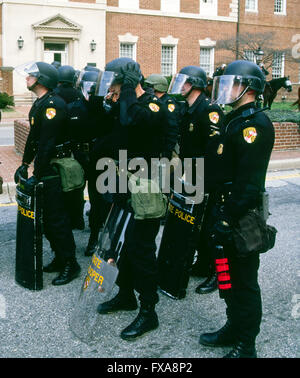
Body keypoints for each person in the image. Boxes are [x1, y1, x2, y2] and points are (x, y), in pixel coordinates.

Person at [199, 60, 275, 358]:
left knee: (244, 281)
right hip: (223, 207)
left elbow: (248, 184)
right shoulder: (236, 119)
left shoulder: (254, 125)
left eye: (232, 83)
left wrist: (227, 220)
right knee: (225, 272)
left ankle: (247, 343)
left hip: (240, 214)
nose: (226, 88)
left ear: (248, 88)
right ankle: (233, 326)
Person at [94, 57, 166, 341]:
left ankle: (149, 310)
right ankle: (126, 295)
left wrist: (124, 95)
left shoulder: (151, 106)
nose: (111, 85)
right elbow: (114, 135)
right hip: (125, 182)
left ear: (127, 81)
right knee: (118, 244)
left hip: (147, 186)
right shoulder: (126, 105)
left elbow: (130, 121)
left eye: (116, 80)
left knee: (141, 249)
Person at [14, 61, 80, 286]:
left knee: (57, 218)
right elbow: (34, 137)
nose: (27, 79)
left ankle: (71, 264)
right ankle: (60, 258)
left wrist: (37, 174)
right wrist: (24, 163)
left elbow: (47, 143)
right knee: (48, 219)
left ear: (41, 80)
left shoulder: (54, 105)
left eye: (31, 76)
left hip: (54, 168)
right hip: (46, 167)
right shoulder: (40, 103)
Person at [169, 65, 224, 294]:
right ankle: (202, 265)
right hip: (190, 173)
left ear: (193, 85)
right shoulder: (187, 108)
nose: (180, 86)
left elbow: (214, 150)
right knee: (196, 227)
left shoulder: (209, 110)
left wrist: (203, 180)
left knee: (212, 230)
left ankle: (217, 274)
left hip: (207, 178)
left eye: (184, 82)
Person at [67, 68, 112, 252]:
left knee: (98, 201)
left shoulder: (105, 109)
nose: (91, 91)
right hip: (78, 158)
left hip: (97, 159)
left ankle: (95, 237)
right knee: (71, 198)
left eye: (94, 87)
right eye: (88, 87)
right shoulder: (74, 108)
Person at [144, 74, 180, 160]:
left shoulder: (168, 104)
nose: (147, 89)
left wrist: (166, 153)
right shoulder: (154, 101)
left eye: (150, 86)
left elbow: (172, 130)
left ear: (157, 87)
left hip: (164, 149)